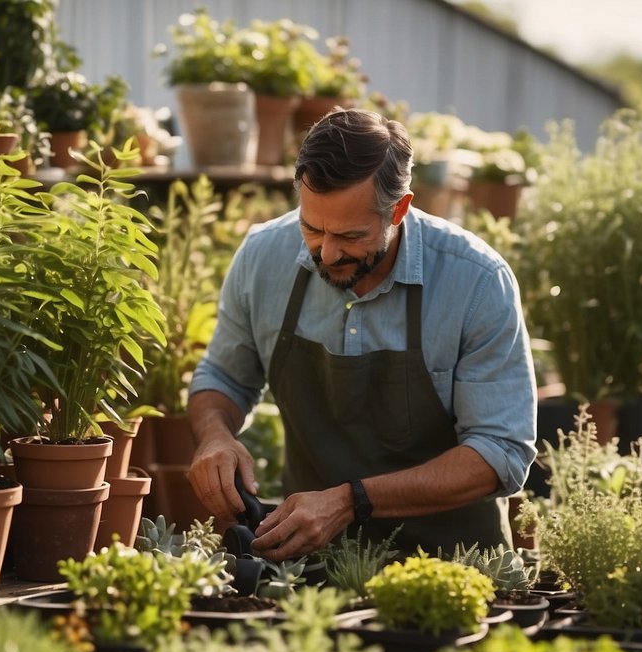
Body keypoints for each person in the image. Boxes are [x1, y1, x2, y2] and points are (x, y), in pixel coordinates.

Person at [186, 107, 537, 561]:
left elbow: (500, 452)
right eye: (312, 228)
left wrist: (349, 502)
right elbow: (224, 377)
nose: (327, 253)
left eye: (350, 235)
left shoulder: (476, 280)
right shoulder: (262, 257)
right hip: (308, 568)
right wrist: (215, 434)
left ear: (399, 209)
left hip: (452, 571)